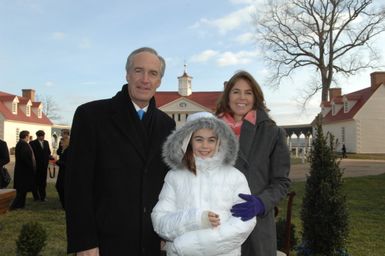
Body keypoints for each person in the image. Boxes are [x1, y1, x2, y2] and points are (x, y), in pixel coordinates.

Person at [65, 47, 176, 256]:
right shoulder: (91, 116)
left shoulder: (166, 125)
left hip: (152, 241)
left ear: (159, 81)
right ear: (127, 74)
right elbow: (77, 186)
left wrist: (166, 233)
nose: (145, 79)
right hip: (105, 242)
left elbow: (166, 184)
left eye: (153, 73)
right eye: (138, 71)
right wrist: (84, 242)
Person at [152, 112, 256, 256]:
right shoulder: (174, 176)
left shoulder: (235, 176)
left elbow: (245, 222)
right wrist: (195, 219)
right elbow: (160, 221)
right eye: (199, 139)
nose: (205, 146)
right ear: (188, 140)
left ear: (219, 141)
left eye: (211, 140)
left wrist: (188, 245)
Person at [216, 70, 291, 256]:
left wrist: (261, 202)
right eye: (236, 91)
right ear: (227, 96)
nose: (242, 98)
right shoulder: (211, 129)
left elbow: (282, 182)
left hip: (256, 226)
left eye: (248, 92)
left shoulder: (272, 133)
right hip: (218, 222)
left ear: (255, 97)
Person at [10, 130, 36, 210]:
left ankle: (21, 205)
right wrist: (31, 166)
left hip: (22, 170)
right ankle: (15, 206)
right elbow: (25, 157)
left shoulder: (21, 143)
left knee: (23, 190)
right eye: (28, 136)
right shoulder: (23, 144)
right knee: (21, 190)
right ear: (25, 136)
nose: (29, 137)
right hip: (24, 171)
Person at [29, 130, 51, 202]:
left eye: (43, 136)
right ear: (37, 136)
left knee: (43, 182)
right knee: (35, 182)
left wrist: (50, 158)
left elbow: (48, 152)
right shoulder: (32, 143)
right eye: (41, 136)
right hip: (36, 166)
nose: (42, 137)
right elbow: (31, 155)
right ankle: (36, 197)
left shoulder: (46, 142)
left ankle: (43, 197)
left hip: (44, 166)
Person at [55, 129, 70, 209]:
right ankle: (64, 204)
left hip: (66, 171)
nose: (60, 144)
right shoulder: (63, 146)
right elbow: (58, 152)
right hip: (62, 169)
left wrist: (57, 162)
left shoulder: (69, 148)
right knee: (59, 186)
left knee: (62, 187)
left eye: (62, 134)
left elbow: (68, 163)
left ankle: (66, 204)